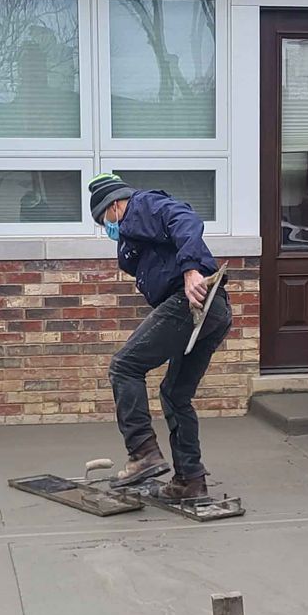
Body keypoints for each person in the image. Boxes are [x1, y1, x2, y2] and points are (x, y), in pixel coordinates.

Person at [89, 171, 232, 501]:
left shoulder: (142, 206)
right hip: (215, 309)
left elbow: (185, 218)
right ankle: (190, 481)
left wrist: (191, 268)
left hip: (190, 302)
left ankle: (142, 453)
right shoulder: (135, 236)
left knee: (124, 367)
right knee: (175, 394)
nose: (106, 228)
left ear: (114, 206)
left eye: (103, 220)